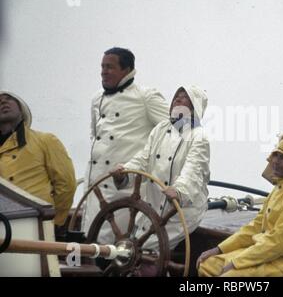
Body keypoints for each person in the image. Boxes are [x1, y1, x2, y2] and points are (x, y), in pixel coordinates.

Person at [196, 135, 283, 277]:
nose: (275, 161)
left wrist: (237, 262)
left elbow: (277, 243)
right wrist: (219, 249)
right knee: (207, 265)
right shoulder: (280, 188)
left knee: (230, 276)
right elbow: (255, 227)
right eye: (275, 155)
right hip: (265, 254)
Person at [82, 47, 169, 243]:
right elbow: (95, 136)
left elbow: (175, 131)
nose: (104, 71)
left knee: (113, 246)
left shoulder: (146, 96)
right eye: (102, 66)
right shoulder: (97, 98)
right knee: (90, 240)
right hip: (95, 185)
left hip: (123, 189)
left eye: (110, 67)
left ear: (127, 69)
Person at [111, 85, 210, 250]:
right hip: (153, 205)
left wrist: (179, 190)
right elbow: (143, 159)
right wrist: (125, 171)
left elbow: (193, 170)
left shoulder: (199, 137)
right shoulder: (161, 129)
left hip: (181, 212)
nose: (177, 98)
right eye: (176, 95)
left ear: (195, 106)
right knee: (135, 246)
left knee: (144, 249)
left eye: (184, 97)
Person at [0, 91, 76, 227]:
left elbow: (66, 185)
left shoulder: (45, 140)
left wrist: (53, 222)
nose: (3, 102)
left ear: (21, 110)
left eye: (8, 99)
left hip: (36, 224)